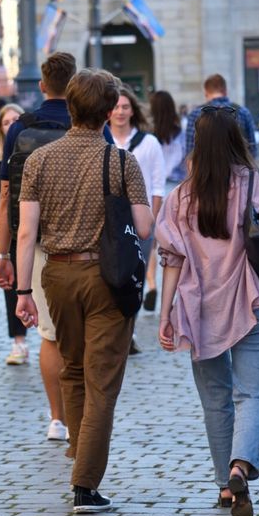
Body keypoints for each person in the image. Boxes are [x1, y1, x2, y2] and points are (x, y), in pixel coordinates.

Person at [14, 69, 154, 513]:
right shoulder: (121, 161)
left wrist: (23, 291)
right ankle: (85, 485)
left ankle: (79, 450)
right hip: (106, 278)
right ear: (109, 110)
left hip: (56, 275)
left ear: (70, 105)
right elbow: (146, 225)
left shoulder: (40, 160)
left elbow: (25, 233)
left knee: (72, 368)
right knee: (103, 382)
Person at [156, 105, 259, 516]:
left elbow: (171, 260)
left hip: (201, 309)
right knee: (253, 395)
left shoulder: (181, 197)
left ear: (196, 143)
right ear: (239, 139)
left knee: (215, 400)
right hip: (254, 301)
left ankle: (225, 486)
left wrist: (165, 313)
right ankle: (241, 466)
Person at [0, 52, 77, 442]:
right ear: (74, 83)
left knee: (49, 335)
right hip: (85, 244)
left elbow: (7, 194)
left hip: (40, 243)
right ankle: (82, 415)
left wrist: (3, 255)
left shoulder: (20, 128)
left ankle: (57, 418)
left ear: (42, 85)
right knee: (84, 336)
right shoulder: (89, 122)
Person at [108, 87, 165, 351]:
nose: (120, 112)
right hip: (109, 222)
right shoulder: (102, 140)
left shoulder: (149, 142)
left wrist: (151, 220)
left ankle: (128, 329)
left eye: (125, 107)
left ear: (133, 110)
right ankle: (114, 330)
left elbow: (157, 185)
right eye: (116, 107)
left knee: (135, 277)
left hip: (140, 221)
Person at [0, 103, 25, 364]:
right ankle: (19, 342)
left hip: (35, 230)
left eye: (16, 120)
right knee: (11, 287)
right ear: (0, 129)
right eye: (6, 121)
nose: (12, 125)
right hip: (10, 229)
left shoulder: (36, 151)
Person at [145, 90, 184, 312]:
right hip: (175, 190)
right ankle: (175, 288)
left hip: (153, 191)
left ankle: (151, 284)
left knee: (151, 241)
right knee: (174, 244)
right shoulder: (179, 131)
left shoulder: (148, 134)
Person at [185, 74, 258, 159]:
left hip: (206, 169)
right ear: (226, 91)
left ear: (206, 93)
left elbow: (190, 152)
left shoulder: (196, 114)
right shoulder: (243, 112)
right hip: (239, 167)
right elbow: (252, 148)